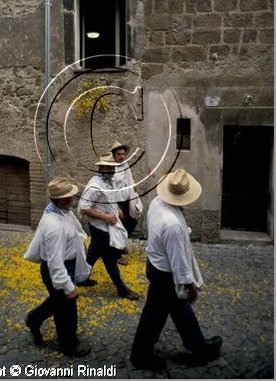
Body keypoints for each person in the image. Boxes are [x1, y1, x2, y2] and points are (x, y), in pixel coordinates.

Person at [130, 169, 222, 370]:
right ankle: (140, 355)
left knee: (179, 311)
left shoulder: (157, 203)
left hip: (155, 264)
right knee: (155, 315)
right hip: (165, 274)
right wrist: (189, 284)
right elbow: (178, 261)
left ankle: (198, 346)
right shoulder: (172, 225)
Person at [24, 177, 91, 357]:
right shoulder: (54, 226)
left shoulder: (61, 210)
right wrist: (68, 286)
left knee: (56, 302)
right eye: (71, 196)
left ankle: (33, 319)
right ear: (62, 200)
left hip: (65, 266)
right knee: (67, 310)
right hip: (59, 270)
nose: (74, 198)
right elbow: (55, 264)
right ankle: (68, 344)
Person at [77, 153, 139, 300]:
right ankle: (122, 290)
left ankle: (81, 279)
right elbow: (83, 207)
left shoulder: (107, 181)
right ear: (102, 168)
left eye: (114, 168)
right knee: (110, 259)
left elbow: (108, 199)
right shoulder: (95, 186)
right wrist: (105, 217)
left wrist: (116, 209)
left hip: (103, 227)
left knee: (92, 255)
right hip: (100, 229)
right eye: (110, 168)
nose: (113, 171)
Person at [110, 141, 141, 265]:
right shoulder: (110, 168)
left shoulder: (125, 165)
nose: (122, 156)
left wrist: (133, 187)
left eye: (123, 154)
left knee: (132, 222)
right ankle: (115, 255)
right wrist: (115, 207)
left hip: (127, 201)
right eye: (119, 154)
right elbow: (109, 189)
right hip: (117, 203)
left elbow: (129, 179)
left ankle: (120, 245)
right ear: (114, 155)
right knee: (118, 228)